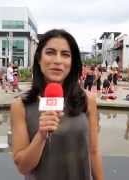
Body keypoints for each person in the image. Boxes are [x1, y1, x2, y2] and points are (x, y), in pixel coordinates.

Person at [10, 29, 104, 180]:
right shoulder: (20, 105)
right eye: (50, 52)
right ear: (39, 59)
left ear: (72, 63)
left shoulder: (88, 100)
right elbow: (23, 167)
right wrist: (41, 135)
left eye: (65, 55)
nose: (58, 60)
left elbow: (93, 151)